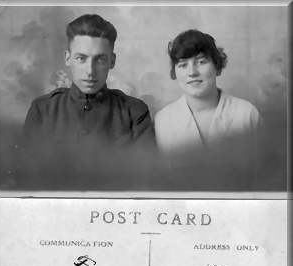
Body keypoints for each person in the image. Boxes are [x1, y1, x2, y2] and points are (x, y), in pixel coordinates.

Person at [20, 13, 155, 189]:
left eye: (99, 59)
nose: (90, 71)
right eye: (81, 59)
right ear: (68, 58)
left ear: (112, 61)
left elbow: (145, 180)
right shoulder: (43, 109)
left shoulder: (134, 112)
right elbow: (24, 179)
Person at [154, 29, 262, 162]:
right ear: (175, 72)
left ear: (217, 66)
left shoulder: (246, 114)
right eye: (183, 65)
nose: (192, 72)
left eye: (201, 62)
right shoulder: (163, 121)